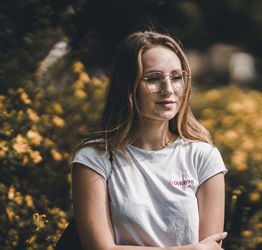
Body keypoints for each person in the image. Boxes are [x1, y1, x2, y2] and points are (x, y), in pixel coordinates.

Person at [71, 30, 228, 250]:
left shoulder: (204, 157)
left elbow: (211, 248)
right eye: (153, 78)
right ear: (127, 87)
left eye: (176, 77)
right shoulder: (94, 159)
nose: (168, 89)